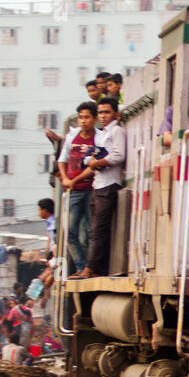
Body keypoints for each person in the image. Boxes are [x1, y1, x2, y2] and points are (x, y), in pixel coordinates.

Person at [73, 97, 125, 278]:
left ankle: (90, 269)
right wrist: (91, 162)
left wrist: (97, 162)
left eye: (107, 112)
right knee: (93, 230)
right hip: (98, 183)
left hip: (109, 184)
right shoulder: (102, 134)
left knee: (99, 231)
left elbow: (118, 156)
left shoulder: (116, 131)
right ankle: (93, 268)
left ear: (115, 114)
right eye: (101, 112)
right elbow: (93, 156)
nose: (103, 116)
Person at [58, 101, 98, 272]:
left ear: (94, 119)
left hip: (91, 190)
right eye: (81, 117)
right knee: (70, 233)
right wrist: (66, 178)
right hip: (73, 192)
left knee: (90, 232)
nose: (83, 121)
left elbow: (94, 166)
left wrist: (73, 181)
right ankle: (81, 267)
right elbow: (62, 159)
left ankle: (91, 267)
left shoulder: (100, 137)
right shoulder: (72, 136)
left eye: (87, 117)